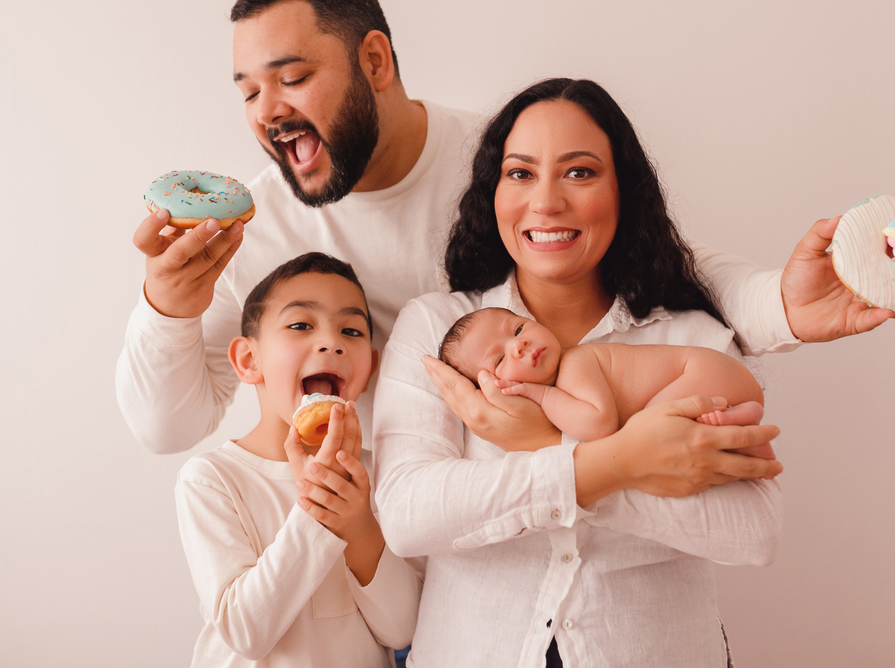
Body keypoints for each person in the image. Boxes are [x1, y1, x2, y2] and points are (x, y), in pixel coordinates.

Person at [117, 0, 895, 479]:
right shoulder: (257, 229)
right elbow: (166, 428)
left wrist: (786, 308)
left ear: (375, 59)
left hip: (549, 528)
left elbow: (656, 261)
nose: (268, 112)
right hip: (392, 571)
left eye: (291, 78)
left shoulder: (506, 166)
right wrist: (167, 308)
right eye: (248, 91)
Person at [372, 78, 786, 667]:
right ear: (493, 191)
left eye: (580, 172)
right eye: (520, 173)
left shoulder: (691, 338)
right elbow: (409, 515)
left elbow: (753, 532)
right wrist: (613, 464)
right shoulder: (442, 330)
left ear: (624, 193)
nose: (545, 202)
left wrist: (544, 446)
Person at [175, 252, 419, 667]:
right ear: (249, 361)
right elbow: (246, 632)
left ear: (370, 368)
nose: (331, 342)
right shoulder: (212, 479)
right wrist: (317, 511)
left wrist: (357, 523)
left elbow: (403, 630)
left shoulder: (380, 473)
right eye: (301, 325)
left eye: (351, 330)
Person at [437, 306, 773, 458]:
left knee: (646, 432)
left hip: (702, 372)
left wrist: (538, 394)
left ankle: (738, 420)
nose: (519, 345)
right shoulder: (568, 379)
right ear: (492, 388)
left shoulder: (576, 363)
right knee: (659, 434)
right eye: (500, 359)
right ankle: (741, 425)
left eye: (519, 328)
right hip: (715, 376)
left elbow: (599, 426)